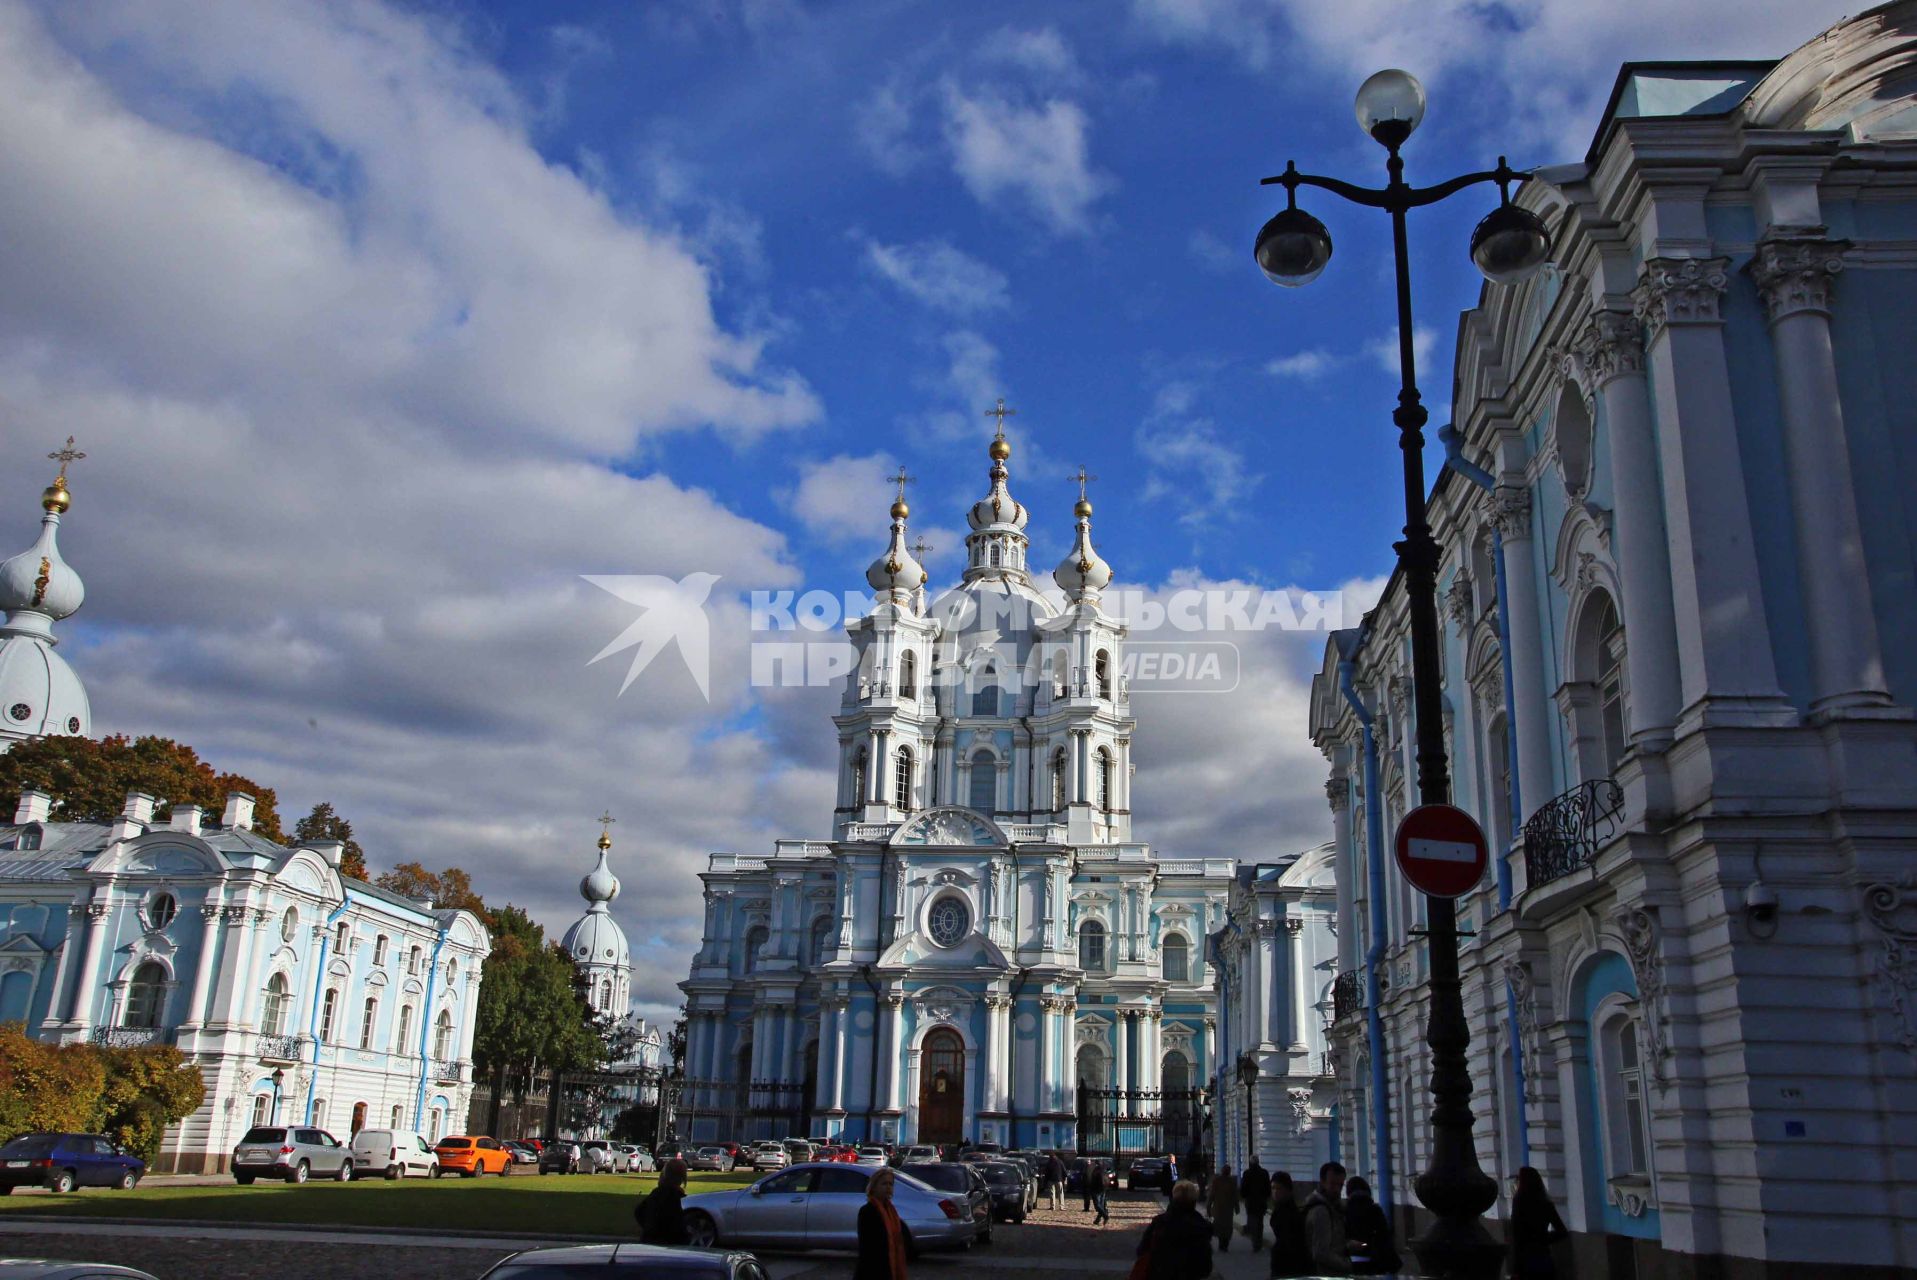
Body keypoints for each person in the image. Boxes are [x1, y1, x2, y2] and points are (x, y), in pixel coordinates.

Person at [1136, 1180, 1214, 1280]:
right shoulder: (1200, 1226)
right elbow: (1205, 1266)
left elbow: (1142, 1250)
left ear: (1174, 1198)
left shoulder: (1160, 1222)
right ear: (1194, 1201)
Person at [1508, 1166, 1571, 1279]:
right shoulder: (1546, 1204)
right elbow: (1562, 1232)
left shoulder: (1519, 1204)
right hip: (1544, 1259)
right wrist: (1543, 1239)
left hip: (1526, 1262)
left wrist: (1515, 1269)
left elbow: (1516, 1237)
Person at [857, 1167, 910, 1280]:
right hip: (873, 1270)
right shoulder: (868, 1211)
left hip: (890, 1267)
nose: (888, 1187)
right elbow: (867, 1247)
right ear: (874, 1187)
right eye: (884, 1184)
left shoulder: (891, 1211)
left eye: (891, 1184)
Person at [1343, 1176, 1399, 1274]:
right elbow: (1384, 1234)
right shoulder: (1375, 1210)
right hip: (1373, 1258)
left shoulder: (1344, 1210)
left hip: (1350, 1258)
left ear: (1348, 1192)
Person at [1302, 1161, 1350, 1275]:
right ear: (1322, 1182)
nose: (1337, 1189)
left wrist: (1347, 1245)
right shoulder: (1321, 1211)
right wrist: (1347, 1265)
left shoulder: (1331, 1206)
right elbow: (1320, 1252)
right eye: (1333, 1184)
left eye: (1341, 1185)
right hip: (1325, 1273)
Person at [634, 1157, 689, 1245]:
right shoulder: (681, 1199)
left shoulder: (656, 1194)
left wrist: (648, 1227)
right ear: (682, 1178)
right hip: (672, 1243)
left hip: (650, 1241)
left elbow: (638, 1212)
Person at [1268, 1171, 1312, 1279]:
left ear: (1288, 1190)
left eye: (1279, 1188)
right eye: (1273, 1188)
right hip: (1283, 1264)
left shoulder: (1289, 1213)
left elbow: (1292, 1244)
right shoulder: (1280, 1209)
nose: (1275, 1192)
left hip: (1289, 1266)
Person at [1240, 1156, 1272, 1250]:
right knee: (1260, 1221)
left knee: (1252, 1220)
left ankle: (1255, 1241)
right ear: (1258, 1162)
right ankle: (1259, 1240)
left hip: (1250, 1202)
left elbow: (1244, 1188)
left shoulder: (1247, 1173)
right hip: (1261, 1201)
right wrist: (1266, 1196)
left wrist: (1244, 1195)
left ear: (1250, 1163)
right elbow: (1268, 1187)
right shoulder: (1264, 1173)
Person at [1207, 1163, 1239, 1253]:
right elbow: (1235, 1195)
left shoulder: (1217, 1180)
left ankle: (1222, 1244)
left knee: (1221, 1226)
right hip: (1227, 1208)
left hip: (1219, 1208)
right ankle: (1224, 1244)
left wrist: (1208, 1207)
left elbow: (1211, 1195)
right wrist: (1237, 1207)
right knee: (1226, 1227)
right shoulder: (1231, 1181)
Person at [1092, 1160, 1112, 1225]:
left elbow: (1092, 1180)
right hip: (1104, 1189)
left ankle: (1105, 1216)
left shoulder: (1096, 1170)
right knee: (1101, 1205)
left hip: (1097, 1189)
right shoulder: (1104, 1169)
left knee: (1097, 1205)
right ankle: (1097, 1220)